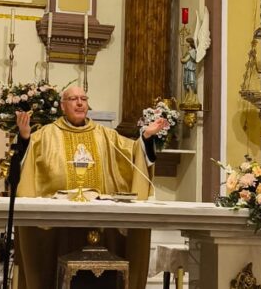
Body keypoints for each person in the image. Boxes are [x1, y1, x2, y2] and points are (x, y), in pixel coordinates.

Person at [11, 85, 169, 289]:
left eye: (83, 99)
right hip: (57, 228)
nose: (79, 103)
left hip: (100, 224)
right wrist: (24, 138)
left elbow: (133, 154)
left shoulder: (106, 136)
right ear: (62, 105)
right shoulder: (45, 135)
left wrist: (146, 137)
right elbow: (24, 164)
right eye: (73, 99)